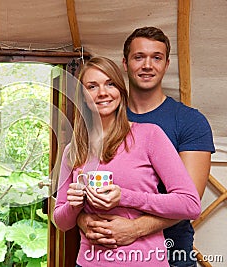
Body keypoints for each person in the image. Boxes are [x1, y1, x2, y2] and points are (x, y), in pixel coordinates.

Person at [77, 27, 215, 267]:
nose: (147, 65)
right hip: (102, 254)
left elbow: (189, 201)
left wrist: (135, 228)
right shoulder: (102, 113)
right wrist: (83, 221)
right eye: (139, 57)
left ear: (167, 63)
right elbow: (75, 187)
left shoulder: (190, 122)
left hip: (172, 253)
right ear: (125, 63)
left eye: (157, 57)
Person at [53, 56, 201, 266]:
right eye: (92, 86)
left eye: (110, 84)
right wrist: (74, 205)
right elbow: (61, 221)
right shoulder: (74, 150)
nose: (102, 93)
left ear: (121, 91)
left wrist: (125, 197)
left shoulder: (149, 136)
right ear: (83, 97)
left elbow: (190, 204)